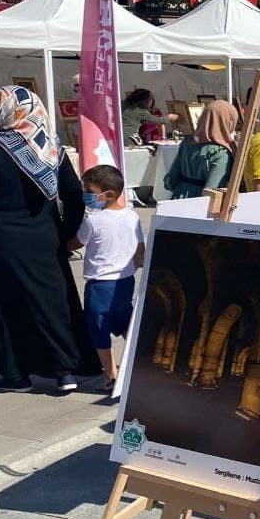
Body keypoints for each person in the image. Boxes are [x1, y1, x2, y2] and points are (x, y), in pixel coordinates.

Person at [0, 85, 100, 393]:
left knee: (7, 307)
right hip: (45, 237)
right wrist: (65, 232)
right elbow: (73, 193)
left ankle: (16, 375)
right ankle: (65, 370)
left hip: (0, 241)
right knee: (53, 302)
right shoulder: (50, 146)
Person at [68, 165, 144, 392]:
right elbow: (140, 247)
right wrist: (135, 265)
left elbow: (76, 243)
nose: (86, 195)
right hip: (126, 279)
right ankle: (138, 360)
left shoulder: (94, 221)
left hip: (100, 283)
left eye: (89, 190)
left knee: (98, 327)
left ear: (108, 194)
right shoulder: (132, 215)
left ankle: (111, 374)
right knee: (123, 321)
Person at [164, 100, 238, 199]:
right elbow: (211, 191)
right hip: (199, 206)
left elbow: (170, 181)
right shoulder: (221, 153)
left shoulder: (187, 142)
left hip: (178, 200)